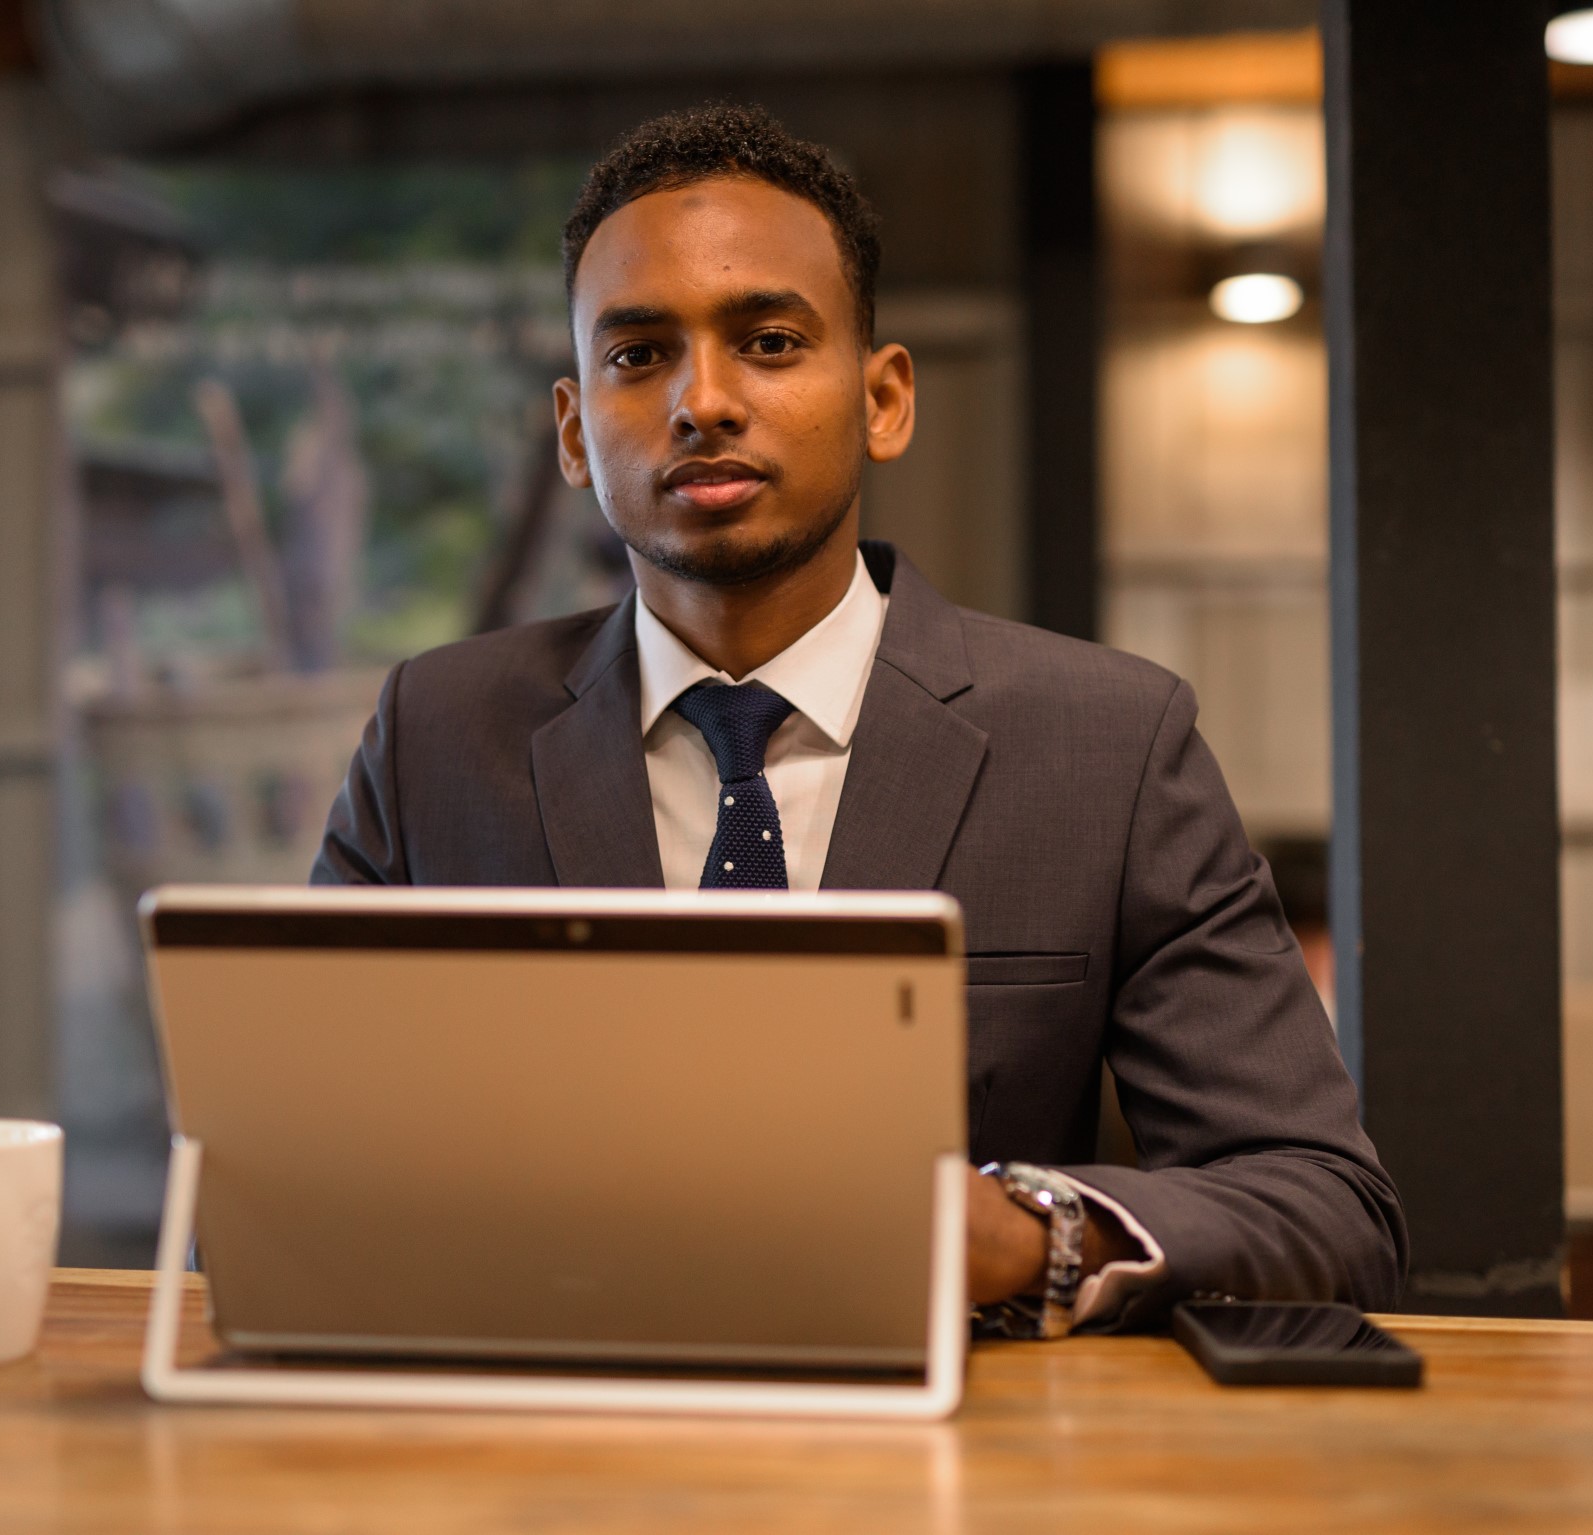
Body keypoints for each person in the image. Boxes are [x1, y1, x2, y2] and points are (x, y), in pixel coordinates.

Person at [313, 103, 1406, 1333]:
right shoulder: (432, 738)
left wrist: (1031, 1228)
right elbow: (265, 1185)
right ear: (574, 431)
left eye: (769, 341)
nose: (702, 401)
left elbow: (1323, 1202)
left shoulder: (1107, 747)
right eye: (636, 355)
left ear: (882, 397)